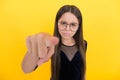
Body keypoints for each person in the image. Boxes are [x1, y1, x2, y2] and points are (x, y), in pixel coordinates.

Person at [21, 5, 87, 80]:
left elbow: (82, 71)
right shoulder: (50, 45)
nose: (67, 29)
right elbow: (26, 69)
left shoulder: (83, 44)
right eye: (63, 23)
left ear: (78, 26)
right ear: (57, 24)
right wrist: (35, 47)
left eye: (73, 24)